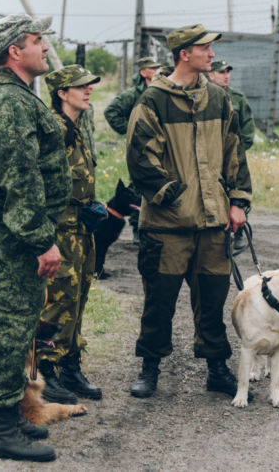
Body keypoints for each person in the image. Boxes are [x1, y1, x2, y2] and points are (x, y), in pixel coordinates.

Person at [0, 14, 71, 462]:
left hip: (9, 235)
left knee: (16, 327)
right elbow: (19, 179)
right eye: (37, 40)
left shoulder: (15, 96)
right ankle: (1, 432)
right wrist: (40, 240)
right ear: (14, 51)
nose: (45, 48)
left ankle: (10, 417)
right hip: (8, 238)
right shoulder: (6, 102)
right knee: (7, 332)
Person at [126, 24, 252, 399]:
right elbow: (140, 161)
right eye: (206, 49)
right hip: (167, 227)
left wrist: (238, 201)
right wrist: (176, 198)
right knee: (159, 304)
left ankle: (217, 368)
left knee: (212, 302)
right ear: (185, 54)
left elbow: (235, 152)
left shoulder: (217, 98)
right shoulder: (153, 101)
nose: (212, 55)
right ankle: (150, 368)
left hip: (213, 226)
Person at [37, 64, 103, 405]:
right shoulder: (54, 128)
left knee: (78, 295)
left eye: (90, 85)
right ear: (62, 93)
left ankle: (69, 363)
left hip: (81, 227)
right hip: (59, 229)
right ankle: (44, 372)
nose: (88, 90)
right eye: (81, 86)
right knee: (57, 300)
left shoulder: (77, 127)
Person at [104, 56, 160, 245]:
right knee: (139, 186)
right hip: (140, 149)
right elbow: (111, 112)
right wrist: (130, 130)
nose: (157, 70)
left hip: (161, 148)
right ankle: (137, 228)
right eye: (153, 68)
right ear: (144, 72)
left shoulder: (162, 92)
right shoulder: (133, 95)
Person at [208, 59, 255, 250]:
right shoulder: (205, 96)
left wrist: (239, 149)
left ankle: (239, 233)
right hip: (211, 154)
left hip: (233, 155)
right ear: (211, 75)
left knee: (237, 190)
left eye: (228, 72)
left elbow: (247, 127)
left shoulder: (238, 98)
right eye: (221, 72)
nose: (226, 75)